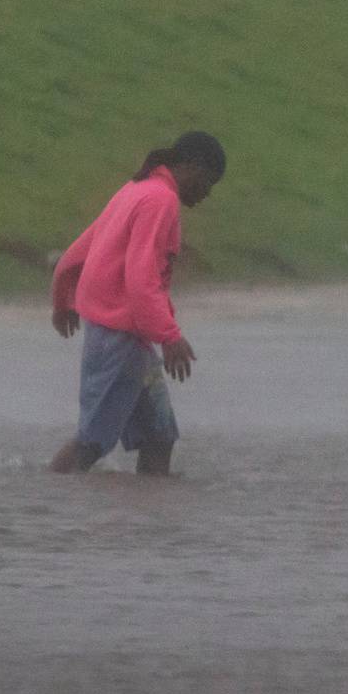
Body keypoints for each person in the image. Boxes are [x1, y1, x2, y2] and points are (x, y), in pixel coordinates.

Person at [46, 132, 226, 476]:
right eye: (209, 182)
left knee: (159, 437)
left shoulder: (137, 189)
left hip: (131, 337)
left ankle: (150, 522)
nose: (207, 194)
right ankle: (47, 502)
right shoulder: (159, 200)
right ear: (192, 166)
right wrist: (169, 335)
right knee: (91, 442)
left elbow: (85, 244)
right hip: (118, 337)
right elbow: (142, 277)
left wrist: (62, 296)